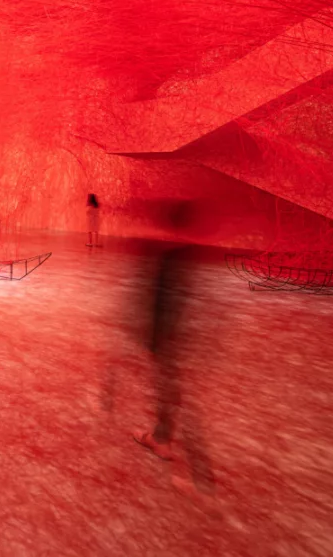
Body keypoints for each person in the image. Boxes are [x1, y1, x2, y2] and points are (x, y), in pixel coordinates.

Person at [134, 200, 214, 496]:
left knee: (178, 397)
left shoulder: (171, 256)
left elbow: (161, 303)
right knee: (173, 392)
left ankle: (202, 482)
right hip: (181, 339)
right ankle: (161, 438)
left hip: (170, 339)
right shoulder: (188, 254)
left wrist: (154, 340)